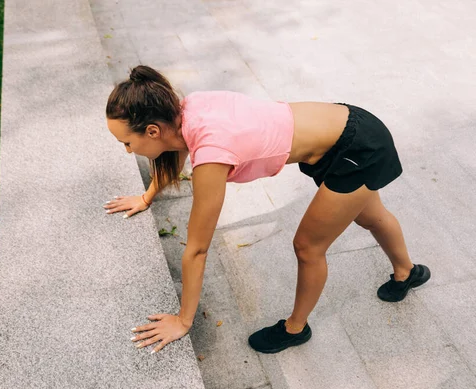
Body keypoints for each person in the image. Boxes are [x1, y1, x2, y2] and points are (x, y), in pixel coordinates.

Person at [104, 65, 431, 355]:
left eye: (126, 143)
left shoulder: (211, 153)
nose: (126, 151)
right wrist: (146, 197)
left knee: (308, 247)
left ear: (152, 131)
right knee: (370, 216)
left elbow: (198, 248)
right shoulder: (183, 111)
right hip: (352, 126)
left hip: (358, 149)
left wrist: (182, 320)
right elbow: (172, 150)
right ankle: (407, 273)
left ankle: (295, 329)